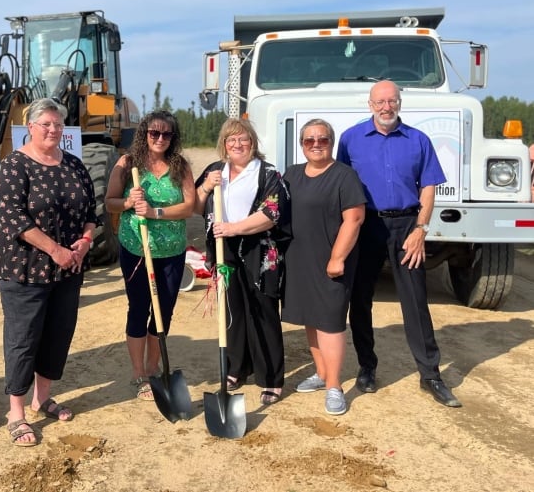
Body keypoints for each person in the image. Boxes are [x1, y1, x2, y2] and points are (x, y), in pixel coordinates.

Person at [337, 80, 462, 408]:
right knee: (361, 299)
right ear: (370, 104)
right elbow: (341, 185)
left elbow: (429, 187)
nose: (386, 107)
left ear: (399, 103)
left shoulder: (419, 140)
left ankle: (430, 374)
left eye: (392, 100)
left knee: (416, 300)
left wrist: (421, 228)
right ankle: (367, 366)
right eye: (380, 101)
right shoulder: (350, 140)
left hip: (407, 226)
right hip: (367, 226)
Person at [0, 98, 98, 446]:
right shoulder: (14, 166)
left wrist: (84, 242)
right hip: (26, 270)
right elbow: (13, 217)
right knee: (24, 340)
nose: (53, 130)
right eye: (46, 124)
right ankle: (17, 412)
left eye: (58, 124)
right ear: (31, 128)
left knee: (57, 335)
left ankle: (42, 398)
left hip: (68, 270)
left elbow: (90, 212)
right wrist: (55, 250)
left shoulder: (74, 165)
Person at [194, 118, 290, 405]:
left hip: (259, 252)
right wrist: (205, 189)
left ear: (253, 142)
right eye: (230, 140)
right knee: (232, 310)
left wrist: (233, 228)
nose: (237, 144)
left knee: (262, 311)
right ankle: (237, 368)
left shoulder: (268, 173)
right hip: (225, 251)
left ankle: (271, 378)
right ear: (223, 144)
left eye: (243, 139)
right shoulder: (214, 171)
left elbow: (271, 214)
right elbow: (197, 207)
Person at [105, 111, 196, 401]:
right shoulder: (127, 164)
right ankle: (138, 374)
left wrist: (156, 212)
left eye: (166, 134)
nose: (160, 139)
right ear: (144, 134)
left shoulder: (180, 166)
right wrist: (129, 202)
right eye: (154, 133)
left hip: (171, 251)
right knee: (140, 307)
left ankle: (154, 366)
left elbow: (189, 206)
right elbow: (110, 203)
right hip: (137, 249)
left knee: (163, 311)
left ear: (173, 137)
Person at [282, 119, 366, 415]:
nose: (316, 144)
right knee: (311, 318)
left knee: (330, 322)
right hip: (299, 260)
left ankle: (334, 386)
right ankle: (320, 373)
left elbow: (354, 219)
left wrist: (337, 257)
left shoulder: (345, 176)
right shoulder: (291, 174)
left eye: (322, 139)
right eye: (309, 140)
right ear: (302, 144)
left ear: (331, 142)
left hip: (331, 262)